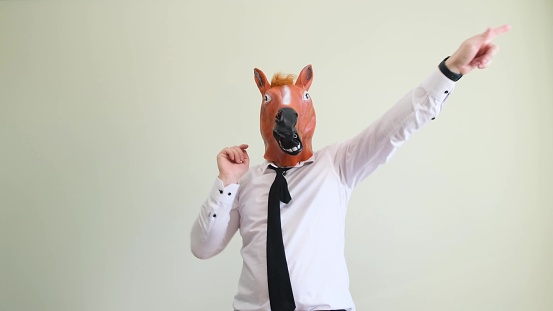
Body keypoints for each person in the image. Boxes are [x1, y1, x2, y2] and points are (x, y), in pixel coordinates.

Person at [190, 25, 511, 311]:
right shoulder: (244, 183)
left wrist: (451, 68)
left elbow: (396, 125)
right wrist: (227, 181)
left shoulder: (337, 164)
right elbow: (203, 247)